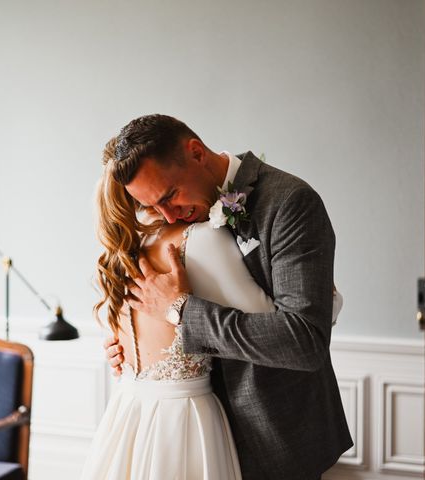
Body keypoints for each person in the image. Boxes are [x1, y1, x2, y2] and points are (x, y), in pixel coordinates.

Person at [103, 114, 352, 480]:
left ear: (197, 153)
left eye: (170, 196)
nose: (168, 215)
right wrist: (134, 347)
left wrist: (183, 311)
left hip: (276, 435)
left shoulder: (290, 202)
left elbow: (304, 341)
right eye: (152, 207)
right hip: (198, 436)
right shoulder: (175, 221)